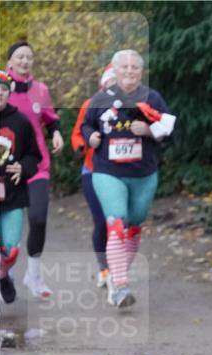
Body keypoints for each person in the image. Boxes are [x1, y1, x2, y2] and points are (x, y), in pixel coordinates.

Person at [81, 49, 175, 308]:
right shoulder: (101, 98)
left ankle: (116, 275)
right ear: (116, 69)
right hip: (107, 172)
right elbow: (85, 126)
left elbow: (169, 132)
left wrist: (149, 130)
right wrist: (91, 137)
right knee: (117, 224)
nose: (130, 71)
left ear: (141, 72)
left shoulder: (152, 98)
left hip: (143, 173)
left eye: (135, 67)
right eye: (125, 67)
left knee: (133, 225)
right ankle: (120, 286)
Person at [6, 41, 63, 299]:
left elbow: (51, 119)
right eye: (20, 57)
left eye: (29, 57)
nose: (25, 61)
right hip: (6, 171)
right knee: (6, 231)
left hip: (36, 166)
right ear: (10, 62)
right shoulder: (1, 90)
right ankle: (3, 272)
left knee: (38, 218)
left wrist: (58, 134)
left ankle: (34, 274)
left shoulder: (41, 90)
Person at [0, 69, 42, 304]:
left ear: (9, 93)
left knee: (10, 250)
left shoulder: (20, 122)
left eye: (3, 89)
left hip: (12, 196)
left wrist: (23, 168)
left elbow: (34, 156)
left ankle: (4, 276)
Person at [71, 64, 117, 288]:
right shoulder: (91, 105)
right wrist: (85, 143)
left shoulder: (132, 105)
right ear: (103, 84)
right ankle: (104, 268)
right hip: (92, 171)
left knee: (118, 224)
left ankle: (117, 269)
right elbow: (78, 132)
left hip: (120, 174)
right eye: (111, 81)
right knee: (101, 222)